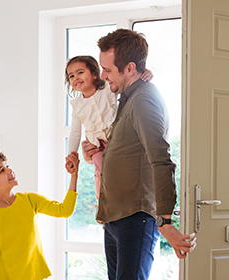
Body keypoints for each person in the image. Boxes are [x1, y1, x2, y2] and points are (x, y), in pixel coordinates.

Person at [82, 28, 196, 280]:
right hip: (116, 219)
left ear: (130, 68)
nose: (102, 76)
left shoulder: (144, 99)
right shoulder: (127, 98)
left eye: (108, 70)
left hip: (136, 219)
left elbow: (161, 160)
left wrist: (165, 222)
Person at [0, 151, 80, 280]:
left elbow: (64, 210)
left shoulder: (30, 200)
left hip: (35, 276)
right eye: (2, 170)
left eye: (7, 166)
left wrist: (74, 176)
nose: (9, 170)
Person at [64, 55, 152, 200]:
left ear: (94, 73)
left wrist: (144, 74)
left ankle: (127, 194)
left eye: (80, 72)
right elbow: (74, 133)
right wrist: (71, 155)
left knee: (121, 168)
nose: (75, 78)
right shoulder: (77, 105)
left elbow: (127, 83)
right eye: (71, 76)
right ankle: (103, 201)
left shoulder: (106, 88)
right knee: (101, 169)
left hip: (116, 138)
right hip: (97, 144)